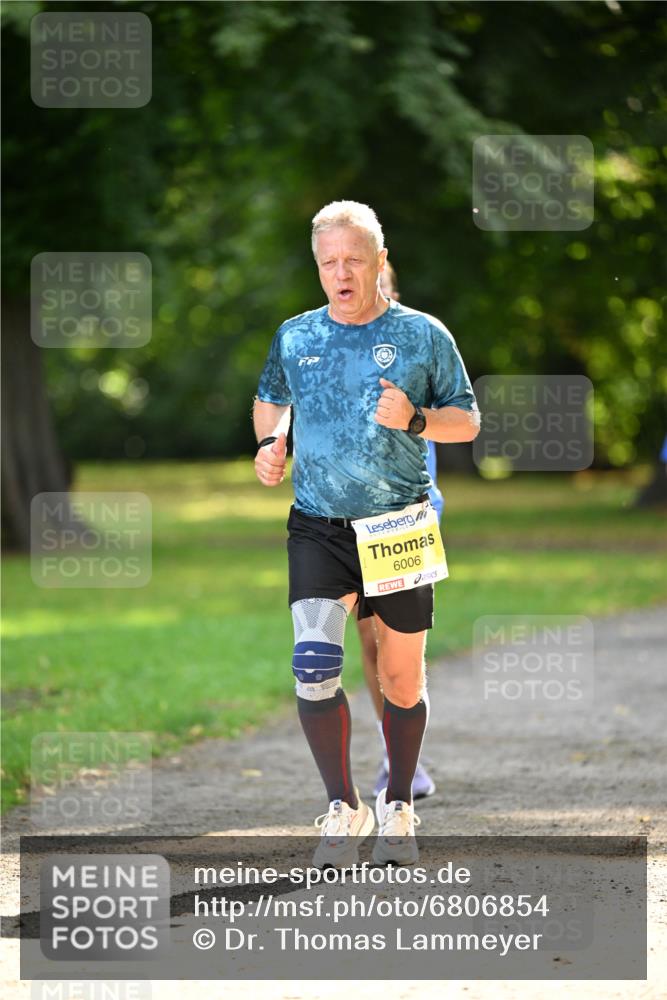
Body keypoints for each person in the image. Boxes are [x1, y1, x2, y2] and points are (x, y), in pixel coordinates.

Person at [253, 201, 479, 866]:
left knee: (400, 679)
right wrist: (271, 440)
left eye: (353, 260)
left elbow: (464, 423)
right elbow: (273, 397)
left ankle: (399, 803)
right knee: (314, 666)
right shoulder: (295, 335)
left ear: (380, 261)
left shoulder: (423, 335)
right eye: (328, 263)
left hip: (400, 526)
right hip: (318, 526)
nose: (341, 273)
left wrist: (414, 420)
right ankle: (342, 807)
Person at [358, 261, 442, 800]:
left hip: (405, 514)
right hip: (345, 515)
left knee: (401, 648)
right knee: (367, 645)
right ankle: (395, 753)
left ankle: (408, 762)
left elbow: (450, 414)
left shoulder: (420, 341)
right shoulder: (325, 348)